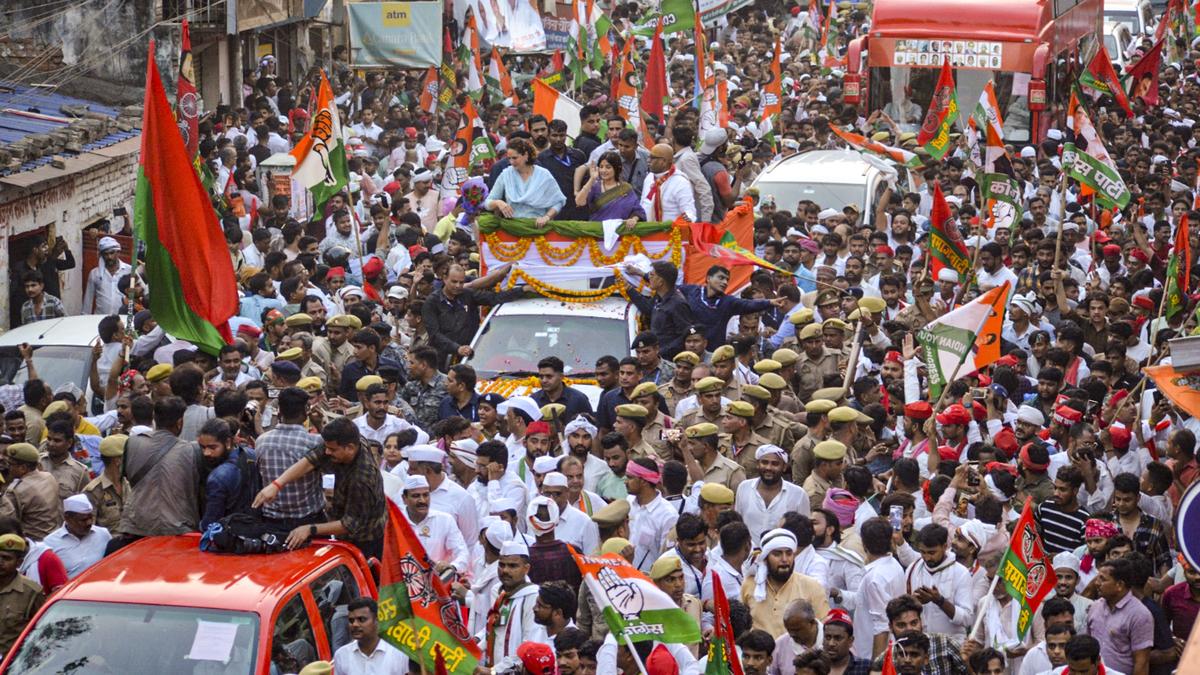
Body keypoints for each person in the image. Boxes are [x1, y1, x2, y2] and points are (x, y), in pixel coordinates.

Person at [252, 416, 386, 560]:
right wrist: (277, 484)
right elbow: (310, 461)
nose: (327, 452)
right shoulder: (348, 439)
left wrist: (310, 529)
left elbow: (350, 524)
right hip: (342, 523)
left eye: (332, 450)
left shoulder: (363, 478)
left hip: (365, 538)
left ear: (350, 448)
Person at [111, 397, 201, 551]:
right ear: (180, 423)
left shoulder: (133, 443)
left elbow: (127, 477)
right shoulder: (193, 450)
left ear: (154, 418)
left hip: (137, 526)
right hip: (178, 529)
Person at [197, 418, 258, 530]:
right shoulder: (251, 454)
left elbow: (211, 522)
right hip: (253, 527)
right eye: (203, 447)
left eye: (212, 447)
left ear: (228, 443)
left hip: (228, 534)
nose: (206, 453)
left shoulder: (218, 477)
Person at [487, 138, 566, 223]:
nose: (511, 162)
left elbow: (558, 201)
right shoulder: (506, 174)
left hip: (539, 227)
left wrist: (547, 217)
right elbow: (487, 203)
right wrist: (498, 203)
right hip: (513, 228)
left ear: (526, 155)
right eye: (509, 158)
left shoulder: (544, 174)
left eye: (515, 158)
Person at [0, 442, 65, 541]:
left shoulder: (16, 491)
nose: (9, 468)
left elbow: (7, 522)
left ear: (23, 468)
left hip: (33, 542)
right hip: (54, 537)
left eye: (11, 464)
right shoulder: (48, 477)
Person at [332, 597, 410, 674]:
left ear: (376, 620)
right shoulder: (341, 655)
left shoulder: (399, 654)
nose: (354, 624)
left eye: (362, 619)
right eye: (351, 620)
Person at [43, 494, 110, 579]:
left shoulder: (103, 534)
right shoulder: (50, 543)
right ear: (67, 518)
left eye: (91, 518)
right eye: (83, 520)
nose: (89, 523)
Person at [0, 534, 44, 654]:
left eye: (6, 558)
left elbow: (40, 630)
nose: (0, 562)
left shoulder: (31, 592)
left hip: (11, 662)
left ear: (19, 563)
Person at [575, 151, 646, 224]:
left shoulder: (625, 188)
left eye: (608, 167)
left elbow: (638, 210)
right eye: (601, 167)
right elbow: (579, 202)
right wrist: (592, 179)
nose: (603, 170)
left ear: (617, 168)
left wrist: (633, 219)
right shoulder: (595, 187)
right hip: (597, 231)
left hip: (620, 232)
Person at [640, 144, 696, 222]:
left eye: (652, 158)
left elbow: (689, 211)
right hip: (648, 230)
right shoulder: (649, 177)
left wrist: (688, 218)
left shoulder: (680, 182)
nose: (648, 160)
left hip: (671, 231)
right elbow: (643, 203)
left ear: (664, 161)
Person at [83, 237, 131, 315]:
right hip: (100, 319)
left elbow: (142, 291)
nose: (109, 257)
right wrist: (84, 318)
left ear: (118, 252)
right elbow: (88, 301)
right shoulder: (95, 273)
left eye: (112, 253)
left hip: (123, 319)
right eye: (106, 254)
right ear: (102, 255)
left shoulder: (129, 270)